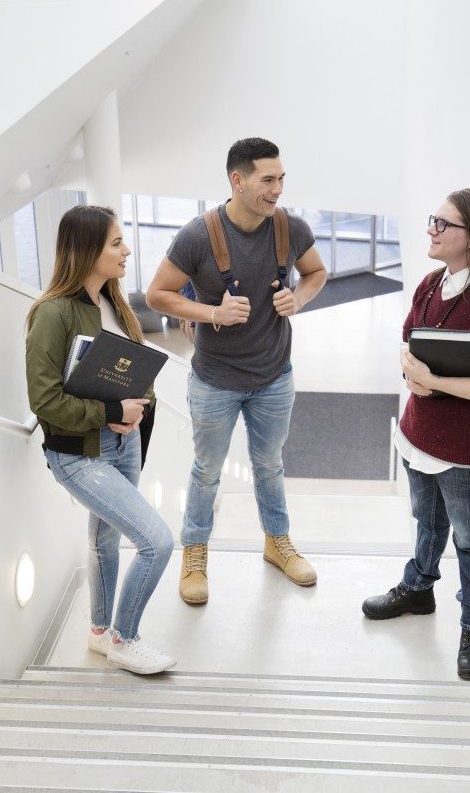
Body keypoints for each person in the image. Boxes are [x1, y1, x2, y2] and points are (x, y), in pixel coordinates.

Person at [145, 137, 327, 605]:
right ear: (238, 180)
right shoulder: (197, 235)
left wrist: (298, 299)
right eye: (268, 180)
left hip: (274, 377)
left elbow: (315, 273)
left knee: (270, 465)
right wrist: (212, 314)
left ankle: (277, 543)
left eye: (281, 178)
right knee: (207, 471)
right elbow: (157, 294)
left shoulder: (291, 227)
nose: (278, 189)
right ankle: (195, 553)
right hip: (214, 381)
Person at [362, 189, 470, 681]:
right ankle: (418, 588)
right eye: (433, 220)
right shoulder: (432, 283)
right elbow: (406, 341)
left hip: (465, 450)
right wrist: (413, 373)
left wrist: (433, 382)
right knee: (427, 522)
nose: (431, 230)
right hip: (418, 434)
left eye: (442, 224)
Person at [26, 204, 176, 675]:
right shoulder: (52, 315)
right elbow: (44, 401)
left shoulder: (115, 303)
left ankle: (97, 632)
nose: (126, 249)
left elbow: (140, 371)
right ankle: (125, 638)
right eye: (115, 242)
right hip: (79, 454)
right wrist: (112, 411)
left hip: (123, 444)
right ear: (87, 249)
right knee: (157, 541)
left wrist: (137, 410)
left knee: (104, 539)